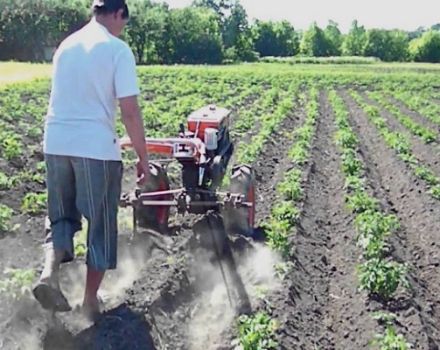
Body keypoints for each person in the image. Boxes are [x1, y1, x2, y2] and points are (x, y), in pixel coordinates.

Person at [32, 0, 149, 320]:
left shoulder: (65, 46)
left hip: (56, 142)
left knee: (61, 217)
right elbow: (129, 111)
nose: (122, 28)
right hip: (95, 150)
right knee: (100, 225)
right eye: (123, 22)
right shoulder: (117, 49)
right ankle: (89, 300)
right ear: (117, 14)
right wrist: (143, 158)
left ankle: (49, 273)